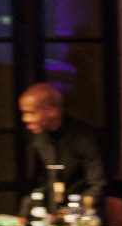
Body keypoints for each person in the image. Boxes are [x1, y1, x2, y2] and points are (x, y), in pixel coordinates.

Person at [17, 80, 105, 210]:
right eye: (23, 113)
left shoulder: (84, 137)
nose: (25, 119)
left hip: (81, 218)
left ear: (53, 111)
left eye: (31, 113)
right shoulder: (38, 139)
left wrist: (70, 212)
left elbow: (98, 185)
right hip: (49, 217)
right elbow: (38, 184)